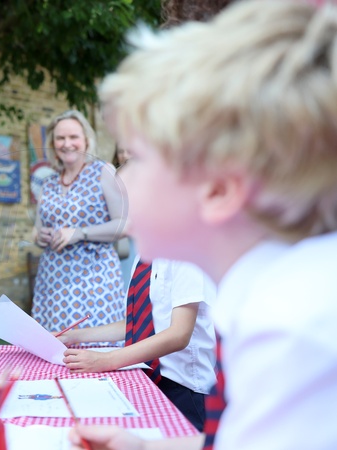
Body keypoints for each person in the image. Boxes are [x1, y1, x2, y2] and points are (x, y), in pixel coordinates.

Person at [69, 1, 337, 449]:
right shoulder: (263, 298)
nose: (122, 177)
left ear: (217, 189)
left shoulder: (291, 332)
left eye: (141, 157)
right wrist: (141, 445)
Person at [58, 258, 216, 431]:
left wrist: (106, 360)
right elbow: (134, 324)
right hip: (148, 380)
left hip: (183, 389)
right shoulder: (144, 259)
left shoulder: (186, 260)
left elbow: (179, 334)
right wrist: (71, 336)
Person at [31, 110, 127, 337]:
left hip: (95, 281)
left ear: (86, 140)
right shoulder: (48, 182)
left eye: (73, 137)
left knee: (93, 348)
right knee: (53, 347)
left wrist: (80, 233)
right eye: (60, 138)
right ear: (52, 143)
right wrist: (40, 236)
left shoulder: (103, 171)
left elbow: (124, 224)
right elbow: (36, 230)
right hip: (52, 283)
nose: (67, 144)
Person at [112, 145, 136, 290]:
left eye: (129, 151)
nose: (125, 155)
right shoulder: (111, 179)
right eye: (121, 152)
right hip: (119, 246)